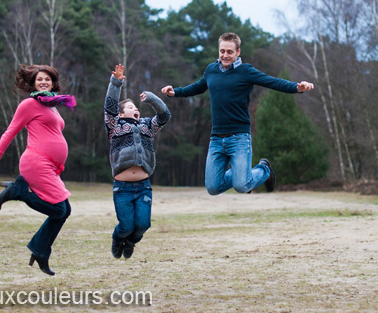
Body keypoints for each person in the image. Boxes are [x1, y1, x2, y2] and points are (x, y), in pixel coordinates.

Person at [161, 32, 314, 195]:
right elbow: (197, 87)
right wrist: (174, 92)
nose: (225, 55)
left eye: (229, 52)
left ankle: (264, 169)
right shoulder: (211, 70)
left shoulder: (245, 71)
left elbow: (272, 81)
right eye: (222, 51)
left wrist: (297, 87)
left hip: (239, 137)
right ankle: (243, 175)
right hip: (216, 138)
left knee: (241, 186)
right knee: (213, 188)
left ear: (238, 52)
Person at [0, 64, 76, 276]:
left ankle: (40, 251)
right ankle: (18, 191)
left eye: (48, 79)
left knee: (64, 211)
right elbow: (10, 132)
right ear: (33, 83)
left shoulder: (51, 105)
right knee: (59, 210)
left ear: (53, 83)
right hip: (36, 161)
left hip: (50, 166)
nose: (44, 82)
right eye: (39, 79)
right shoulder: (29, 104)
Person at [105, 64, 170, 259]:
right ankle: (118, 239)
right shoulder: (115, 126)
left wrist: (152, 99)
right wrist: (116, 82)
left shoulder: (147, 126)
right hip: (122, 187)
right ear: (121, 113)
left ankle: (131, 242)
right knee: (125, 226)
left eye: (136, 107)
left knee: (143, 224)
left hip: (143, 186)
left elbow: (165, 116)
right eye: (131, 107)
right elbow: (109, 106)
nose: (135, 109)